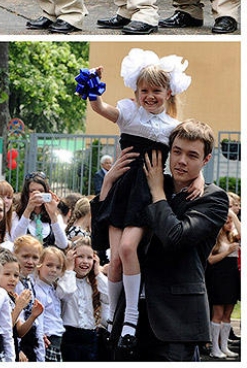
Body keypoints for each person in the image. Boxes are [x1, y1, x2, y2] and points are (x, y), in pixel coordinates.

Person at [85, 48, 202, 352]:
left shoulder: (171, 127)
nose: (150, 96)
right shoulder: (128, 113)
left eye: (157, 91)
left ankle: (131, 318)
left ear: (168, 93)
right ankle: (111, 318)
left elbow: (189, 149)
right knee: (113, 264)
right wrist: (94, 89)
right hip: (122, 188)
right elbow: (99, 108)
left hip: (147, 192)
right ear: (136, 92)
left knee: (127, 248)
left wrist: (199, 177)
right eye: (144, 90)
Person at [93, 119, 229, 360]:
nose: (181, 160)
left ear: (206, 160)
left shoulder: (213, 198)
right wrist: (108, 184)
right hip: (129, 317)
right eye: (176, 151)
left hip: (175, 323)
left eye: (192, 155)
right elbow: (102, 241)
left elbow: (174, 237)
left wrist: (157, 192)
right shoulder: (148, 182)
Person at [57, 237, 109, 361]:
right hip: (69, 336)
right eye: (80, 256)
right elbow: (65, 293)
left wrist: (98, 273)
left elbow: (109, 296)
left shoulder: (93, 283)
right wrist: (69, 269)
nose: (85, 261)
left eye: (90, 258)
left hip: (90, 338)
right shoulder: (65, 279)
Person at [205, 210, 240, 358]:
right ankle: (215, 348)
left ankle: (224, 346)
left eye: (231, 221)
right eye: (227, 221)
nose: (230, 224)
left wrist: (233, 216)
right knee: (218, 314)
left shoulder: (233, 237)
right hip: (219, 278)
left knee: (228, 314)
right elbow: (210, 260)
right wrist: (228, 252)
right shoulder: (214, 238)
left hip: (232, 277)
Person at [11, 172, 67, 248]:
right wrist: (28, 210)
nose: (37, 195)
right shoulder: (16, 215)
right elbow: (16, 241)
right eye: (32, 191)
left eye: (41, 191)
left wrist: (52, 215)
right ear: (26, 194)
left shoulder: (55, 218)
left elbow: (63, 244)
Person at [12, 234, 46, 361]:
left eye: (35, 257)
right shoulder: (13, 283)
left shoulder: (30, 281)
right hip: (19, 342)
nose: (30, 261)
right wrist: (18, 349)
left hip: (31, 340)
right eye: (25, 256)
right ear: (15, 255)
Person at [32, 246, 67, 361]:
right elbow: (38, 320)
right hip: (47, 340)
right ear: (39, 265)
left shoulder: (52, 288)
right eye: (49, 265)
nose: (53, 270)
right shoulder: (38, 291)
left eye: (58, 267)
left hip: (57, 340)